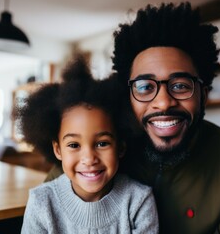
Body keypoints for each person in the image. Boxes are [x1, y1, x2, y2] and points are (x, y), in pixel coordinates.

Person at [47, 2, 220, 233]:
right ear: (127, 97)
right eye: (145, 87)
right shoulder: (97, 151)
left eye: (180, 85)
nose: (164, 102)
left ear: (203, 96)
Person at [16, 58, 159, 233]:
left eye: (102, 143)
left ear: (120, 147)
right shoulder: (41, 203)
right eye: (74, 145)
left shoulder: (139, 201)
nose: (89, 158)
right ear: (57, 149)